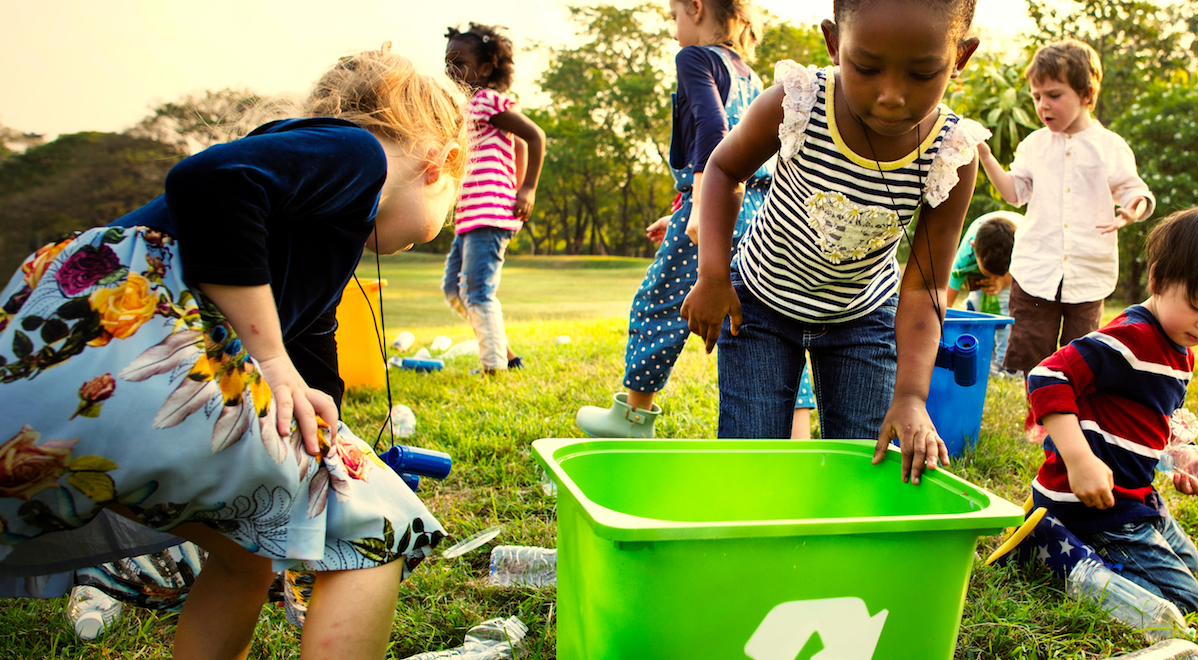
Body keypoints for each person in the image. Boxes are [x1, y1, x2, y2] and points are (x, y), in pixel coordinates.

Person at [0, 46, 461, 659]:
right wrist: (269, 358)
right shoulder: (360, 153)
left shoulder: (311, 237)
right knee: (379, 526)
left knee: (247, 555)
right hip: (132, 348)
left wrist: (326, 442)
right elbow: (208, 179)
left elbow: (315, 370)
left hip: (39, 380)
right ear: (442, 162)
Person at [680, 0, 989, 484]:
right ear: (833, 43)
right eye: (866, 67)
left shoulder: (951, 152)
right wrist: (714, 275)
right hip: (760, 307)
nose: (891, 95)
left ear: (960, 58)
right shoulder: (800, 101)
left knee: (868, 462)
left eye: (923, 73)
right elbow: (723, 168)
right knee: (750, 462)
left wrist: (910, 396)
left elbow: (924, 285)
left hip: (861, 319)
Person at [575, 0, 815, 439]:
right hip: (762, 210)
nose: (674, 31)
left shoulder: (695, 58)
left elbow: (711, 127)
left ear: (697, 8)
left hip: (715, 200)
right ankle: (797, 439)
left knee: (656, 304)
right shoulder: (751, 75)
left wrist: (703, 207)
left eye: (675, 17)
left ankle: (632, 419)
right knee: (767, 320)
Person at [1021, 205, 1198, 615]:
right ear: (1158, 279)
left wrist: (1181, 462)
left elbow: (1146, 427)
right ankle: (1056, 556)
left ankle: (1079, 551)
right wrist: (1079, 461)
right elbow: (1046, 377)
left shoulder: (1180, 350)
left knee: (1189, 561)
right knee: (1183, 599)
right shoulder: (1131, 339)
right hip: (1089, 504)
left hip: (1132, 495)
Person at [976, 39, 1155, 379]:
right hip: (1036, 269)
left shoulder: (1110, 147)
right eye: (1036, 97)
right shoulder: (1034, 145)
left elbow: (1136, 191)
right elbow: (1014, 193)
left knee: (1081, 353)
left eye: (1054, 95)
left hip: (1088, 272)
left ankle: (1072, 415)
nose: (1043, 106)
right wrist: (986, 156)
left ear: (1086, 94)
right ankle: (1036, 418)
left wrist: (1133, 208)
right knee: (1031, 345)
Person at [443, 23, 545, 375]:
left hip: (488, 214)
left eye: (459, 62)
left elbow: (533, 136)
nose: (449, 70)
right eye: (447, 62)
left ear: (484, 69)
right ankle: (505, 353)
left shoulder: (484, 101)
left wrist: (525, 189)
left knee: (477, 293)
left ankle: (493, 367)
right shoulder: (466, 109)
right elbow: (514, 143)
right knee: (454, 291)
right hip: (471, 215)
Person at [946, 210, 1019, 374]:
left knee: (1007, 308)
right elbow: (946, 303)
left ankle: (1006, 363)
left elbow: (1029, 277)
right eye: (989, 273)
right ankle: (980, 350)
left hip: (1017, 269)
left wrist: (1004, 281)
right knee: (976, 306)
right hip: (987, 255)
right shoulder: (966, 255)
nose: (992, 278)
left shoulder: (1026, 242)